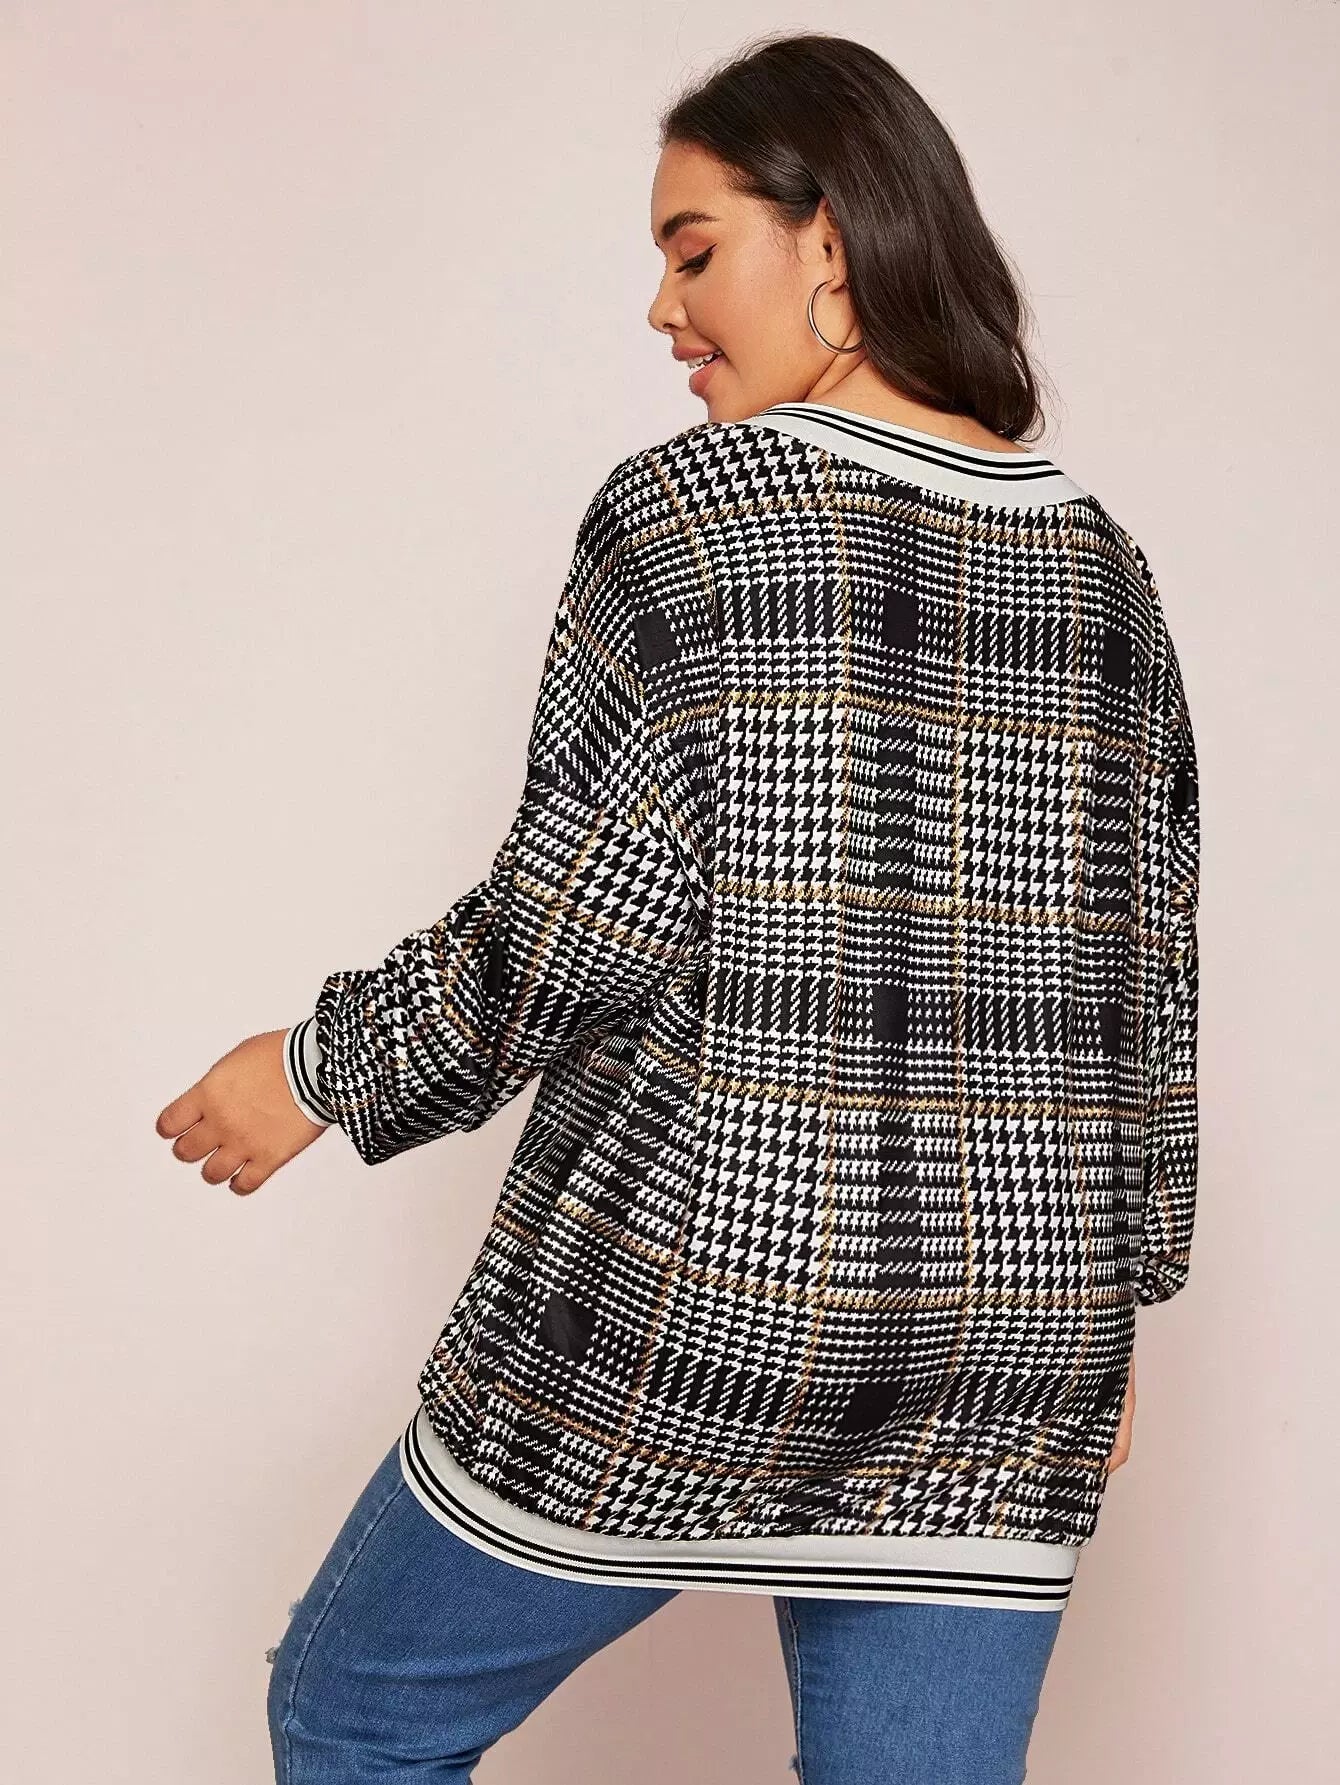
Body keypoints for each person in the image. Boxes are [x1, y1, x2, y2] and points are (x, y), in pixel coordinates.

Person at [154, 29, 1200, 1785]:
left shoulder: (695, 510)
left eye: (694, 250)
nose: (663, 307)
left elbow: (583, 918)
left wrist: (322, 1068)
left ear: (832, 244)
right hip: (1020, 1333)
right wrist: (1119, 1308)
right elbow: (1148, 975)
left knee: (358, 1715)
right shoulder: (1104, 562)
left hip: (718, 1291)